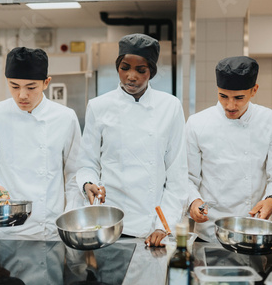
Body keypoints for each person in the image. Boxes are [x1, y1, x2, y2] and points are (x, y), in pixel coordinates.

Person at [75, 33, 188, 247]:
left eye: (141, 70)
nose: (131, 76)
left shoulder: (170, 107)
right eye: (124, 67)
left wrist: (163, 225)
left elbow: (177, 173)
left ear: (152, 72)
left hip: (152, 226)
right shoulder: (98, 107)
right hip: (110, 224)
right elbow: (87, 162)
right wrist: (88, 183)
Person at [0, 47, 81, 237]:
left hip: (48, 228)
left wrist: (70, 215)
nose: (22, 95)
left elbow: (74, 172)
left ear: (46, 83)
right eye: (14, 86)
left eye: (31, 87)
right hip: (5, 227)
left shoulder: (65, 117)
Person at [186, 56, 272, 243]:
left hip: (254, 227)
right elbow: (188, 176)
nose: (230, 105)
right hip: (210, 229)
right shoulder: (197, 123)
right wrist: (193, 201)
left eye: (239, 98)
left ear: (254, 91)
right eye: (223, 96)